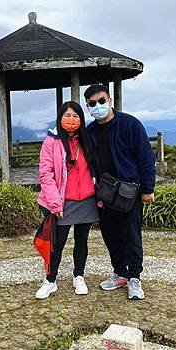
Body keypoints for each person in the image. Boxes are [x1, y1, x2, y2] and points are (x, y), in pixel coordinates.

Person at [84, 84, 156, 300]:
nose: (98, 106)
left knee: (131, 235)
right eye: (93, 104)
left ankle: (135, 277)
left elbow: (145, 157)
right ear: (88, 107)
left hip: (129, 191)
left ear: (110, 100)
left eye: (101, 101)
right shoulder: (90, 131)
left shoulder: (130, 124)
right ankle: (120, 273)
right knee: (110, 235)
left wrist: (148, 189)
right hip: (105, 193)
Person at [35, 101, 99, 299]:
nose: (71, 120)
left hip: (87, 199)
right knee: (57, 243)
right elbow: (45, 174)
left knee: (82, 241)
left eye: (75, 116)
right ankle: (50, 280)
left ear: (81, 119)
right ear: (60, 118)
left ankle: (78, 276)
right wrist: (55, 203)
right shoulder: (51, 142)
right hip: (62, 201)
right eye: (67, 115)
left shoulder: (87, 139)